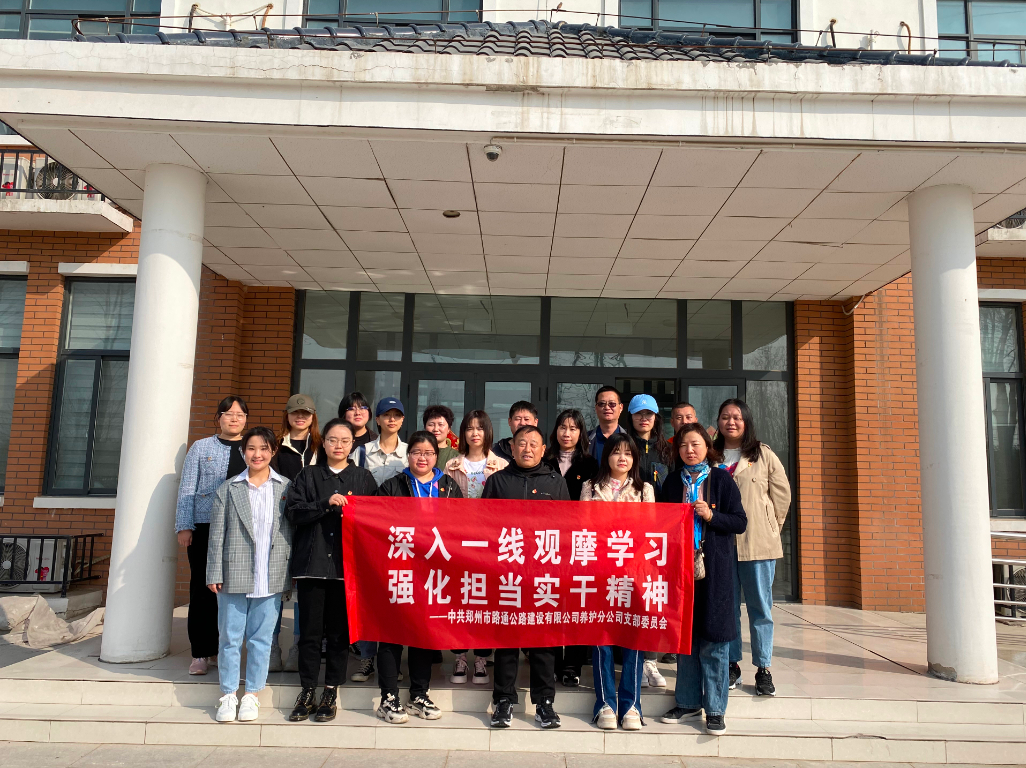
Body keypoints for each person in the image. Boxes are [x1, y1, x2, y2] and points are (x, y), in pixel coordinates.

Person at [285, 419, 377, 723]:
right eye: (333, 440)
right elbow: (293, 512)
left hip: (346, 570)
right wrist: (325, 504)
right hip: (312, 566)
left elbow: (374, 519)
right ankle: (307, 690)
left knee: (339, 635)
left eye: (345, 441)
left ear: (353, 445)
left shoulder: (363, 478)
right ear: (323, 443)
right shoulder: (307, 475)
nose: (338, 445)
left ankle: (330, 691)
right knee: (310, 634)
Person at [659, 423, 747, 736]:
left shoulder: (721, 479)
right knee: (685, 639)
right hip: (680, 570)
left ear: (707, 447)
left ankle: (716, 709)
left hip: (715, 571)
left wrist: (711, 516)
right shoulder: (673, 482)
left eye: (695, 444)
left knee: (714, 640)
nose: (690, 450)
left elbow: (740, 522)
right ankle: (687, 701)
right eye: (684, 445)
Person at [483, 425, 570, 729]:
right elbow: (483, 526)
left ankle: (544, 703)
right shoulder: (497, 481)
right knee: (506, 639)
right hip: (507, 573)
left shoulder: (556, 483)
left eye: (534, 444)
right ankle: (504, 700)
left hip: (543, 574)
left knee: (543, 641)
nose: (527, 449)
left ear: (544, 450)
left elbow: (566, 530)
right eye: (522, 443)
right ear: (512, 447)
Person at [373, 431, 463, 723]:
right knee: (391, 632)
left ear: (437, 456)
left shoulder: (448, 486)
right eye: (416, 452)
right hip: (398, 568)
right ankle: (388, 698)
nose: (422, 458)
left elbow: (462, 525)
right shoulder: (393, 485)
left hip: (432, 571)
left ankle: (418, 695)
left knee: (423, 632)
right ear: (408, 455)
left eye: (428, 453)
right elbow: (375, 522)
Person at [205, 427, 292, 723]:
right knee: (230, 638)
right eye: (251, 448)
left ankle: (252, 694)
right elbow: (216, 534)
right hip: (233, 572)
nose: (257, 454)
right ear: (243, 452)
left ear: (273, 451)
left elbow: (290, 532)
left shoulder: (285, 487)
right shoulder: (228, 488)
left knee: (261, 639)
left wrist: (289, 572)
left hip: (271, 573)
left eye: (264, 448)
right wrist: (214, 571)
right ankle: (228, 694)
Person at [713, 398, 791, 697]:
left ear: (746, 422)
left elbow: (782, 495)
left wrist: (770, 527)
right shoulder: (711, 455)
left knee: (760, 607)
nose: (731, 422)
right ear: (718, 422)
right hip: (723, 544)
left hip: (758, 544)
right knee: (728, 607)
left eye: (737, 417)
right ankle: (732, 664)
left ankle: (763, 668)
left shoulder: (762, 454)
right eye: (725, 417)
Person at [580, 433, 656, 731]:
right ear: (606, 456)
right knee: (602, 639)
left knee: (633, 638)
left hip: (633, 573)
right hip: (600, 572)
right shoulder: (590, 487)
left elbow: (650, 532)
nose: (622, 458)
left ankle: (632, 705)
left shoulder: (644, 490)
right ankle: (605, 704)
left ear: (634, 458)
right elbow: (585, 529)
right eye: (616, 452)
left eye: (628, 453)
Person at [175, 395, 249, 676]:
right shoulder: (201, 447)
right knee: (202, 589)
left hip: (240, 528)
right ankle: (200, 652)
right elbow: (187, 488)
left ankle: (222, 649)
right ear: (218, 418)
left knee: (233, 591)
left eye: (240, 414)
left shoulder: (251, 447)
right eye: (228, 413)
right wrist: (185, 525)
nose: (234, 418)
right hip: (205, 526)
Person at [443, 410, 506, 685]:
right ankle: (459, 656)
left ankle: (481, 657)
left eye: (480, 428)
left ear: (488, 431)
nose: (475, 433)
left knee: (485, 599)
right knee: (459, 598)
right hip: (459, 541)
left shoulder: (501, 465)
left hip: (490, 543)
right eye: (469, 428)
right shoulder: (452, 465)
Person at [541, 408, 598, 687]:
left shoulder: (590, 464)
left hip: (579, 542)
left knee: (576, 601)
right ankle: (551, 662)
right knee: (550, 599)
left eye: (573, 428)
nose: (567, 433)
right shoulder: (544, 461)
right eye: (563, 427)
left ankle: (572, 664)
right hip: (548, 542)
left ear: (581, 433)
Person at [269, 393, 320, 673]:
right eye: (295, 413)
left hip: (312, 524)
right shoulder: (276, 446)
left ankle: (298, 646)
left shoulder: (320, 446)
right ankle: (271, 646)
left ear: (313, 417)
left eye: (306, 413)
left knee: (304, 590)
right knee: (277, 587)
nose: (300, 417)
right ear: (287, 416)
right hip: (280, 523)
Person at [353, 397, 408, 484]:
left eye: (397, 415)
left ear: (402, 420)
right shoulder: (362, 451)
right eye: (386, 414)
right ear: (377, 420)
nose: (392, 419)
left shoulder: (409, 452)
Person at [626, 394, 672, 493]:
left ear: (656, 417)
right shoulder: (623, 447)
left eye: (649, 413)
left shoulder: (668, 450)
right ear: (631, 417)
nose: (644, 418)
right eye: (638, 413)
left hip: (661, 503)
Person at [588, 386, 626, 460]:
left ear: (621, 407)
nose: (607, 407)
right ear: (596, 408)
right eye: (601, 404)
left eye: (612, 404)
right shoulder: (585, 440)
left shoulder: (631, 440)